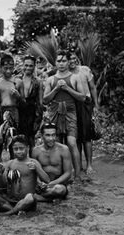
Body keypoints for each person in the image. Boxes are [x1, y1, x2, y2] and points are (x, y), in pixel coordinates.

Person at [43, 50, 86, 181]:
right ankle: (59, 174)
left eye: (64, 61)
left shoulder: (75, 77)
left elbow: (83, 97)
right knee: (54, 142)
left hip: (70, 113)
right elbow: (45, 100)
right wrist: (56, 89)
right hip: (54, 112)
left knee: (71, 142)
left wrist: (68, 89)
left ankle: (77, 175)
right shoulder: (50, 79)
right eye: (59, 61)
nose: (61, 64)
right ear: (55, 63)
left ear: (68, 62)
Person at [0, 135, 50, 215]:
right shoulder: (10, 163)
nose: (18, 151)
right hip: (11, 200)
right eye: (15, 149)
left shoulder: (33, 162)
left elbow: (47, 180)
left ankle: (6, 213)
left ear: (27, 148)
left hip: (27, 200)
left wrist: (37, 169)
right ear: (12, 149)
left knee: (30, 197)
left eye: (21, 148)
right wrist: (0, 173)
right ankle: (16, 210)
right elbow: (2, 184)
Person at [69, 52, 99, 175]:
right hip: (73, 105)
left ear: (77, 59)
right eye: (69, 59)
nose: (71, 61)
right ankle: (79, 164)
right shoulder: (66, 74)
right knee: (76, 137)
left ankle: (89, 165)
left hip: (85, 104)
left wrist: (96, 105)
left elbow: (92, 88)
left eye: (73, 58)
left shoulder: (85, 70)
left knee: (87, 136)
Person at [31, 123, 72, 201]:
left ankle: (43, 198)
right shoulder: (36, 151)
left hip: (57, 184)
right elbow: (34, 171)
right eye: (48, 135)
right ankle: (50, 198)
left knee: (59, 189)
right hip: (42, 185)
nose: (51, 138)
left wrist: (52, 184)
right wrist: (39, 183)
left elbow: (68, 173)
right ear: (42, 135)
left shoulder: (63, 149)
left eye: (53, 135)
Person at [18, 55, 43, 148]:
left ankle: (33, 160)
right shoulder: (17, 79)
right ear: (23, 65)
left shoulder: (38, 82)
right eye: (26, 65)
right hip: (19, 111)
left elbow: (40, 102)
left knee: (31, 139)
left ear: (34, 67)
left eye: (31, 66)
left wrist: (39, 118)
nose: (28, 68)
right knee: (17, 139)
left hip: (31, 113)